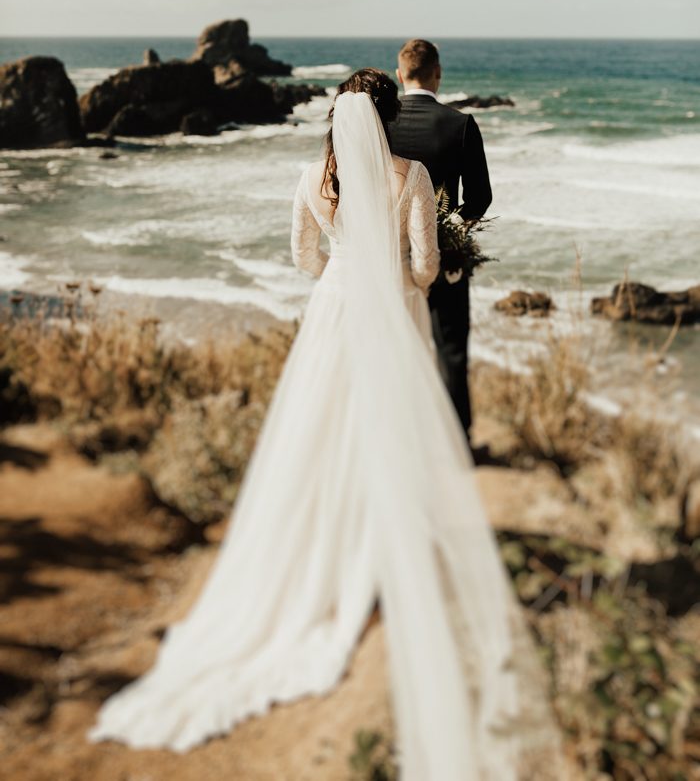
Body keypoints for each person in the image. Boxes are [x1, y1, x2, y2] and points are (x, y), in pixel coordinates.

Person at [87, 70, 519, 779]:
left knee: (324, 433)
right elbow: (424, 267)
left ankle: (330, 549)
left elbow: (302, 256)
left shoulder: (312, 176)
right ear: (384, 117)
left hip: (334, 315)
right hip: (392, 318)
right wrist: (404, 279)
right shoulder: (408, 175)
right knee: (389, 428)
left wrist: (346, 277)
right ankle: (383, 555)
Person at [388, 39, 492, 455]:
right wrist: (449, 228)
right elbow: (480, 198)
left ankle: (399, 436)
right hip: (445, 256)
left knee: (394, 343)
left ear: (400, 75)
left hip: (389, 258)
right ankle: (457, 444)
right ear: (438, 72)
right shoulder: (460, 123)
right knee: (450, 347)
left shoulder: (380, 124)